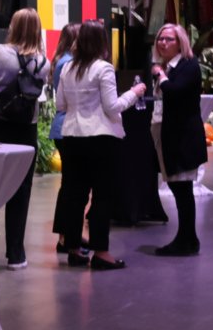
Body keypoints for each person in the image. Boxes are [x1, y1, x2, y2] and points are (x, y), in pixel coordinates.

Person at [54, 22, 145, 271]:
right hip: (101, 139)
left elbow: (60, 104)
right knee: (102, 196)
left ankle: (73, 249)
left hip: (72, 136)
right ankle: (101, 253)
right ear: (102, 42)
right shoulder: (103, 68)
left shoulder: (68, 68)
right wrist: (134, 92)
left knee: (75, 196)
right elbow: (112, 107)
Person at [0, 9, 48, 269]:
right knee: (21, 191)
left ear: (13, 26)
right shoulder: (43, 63)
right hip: (26, 132)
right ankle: (16, 255)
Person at [149, 24, 208, 256]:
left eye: (169, 39)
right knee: (177, 187)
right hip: (167, 134)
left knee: (181, 189)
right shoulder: (165, 66)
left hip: (182, 137)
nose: (163, 43)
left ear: (181, 42)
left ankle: (184, 240)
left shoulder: (188, 66)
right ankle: (190, 239)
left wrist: (161, 76)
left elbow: (173, 92)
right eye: (160, 39)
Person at [46, 21, 82, 253]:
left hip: (63, 126)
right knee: (71, 186)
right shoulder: (69, 62)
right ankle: (66, 238)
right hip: (67, 127)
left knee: (69, 185)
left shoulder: (61, 60)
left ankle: (68, 235)